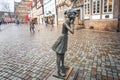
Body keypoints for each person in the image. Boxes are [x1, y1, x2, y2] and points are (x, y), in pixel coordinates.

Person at [52, 10, 77, 78]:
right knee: (59, 55)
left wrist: (71, 23)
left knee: (63, 53)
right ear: (71, 17)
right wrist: (73, 24)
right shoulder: (66, 22)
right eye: (74, 18)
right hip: (62, 39)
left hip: (65, 38)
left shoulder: (68, 21)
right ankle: (58, 71)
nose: (74, 19)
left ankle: (62, 66)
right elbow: (72, 31)